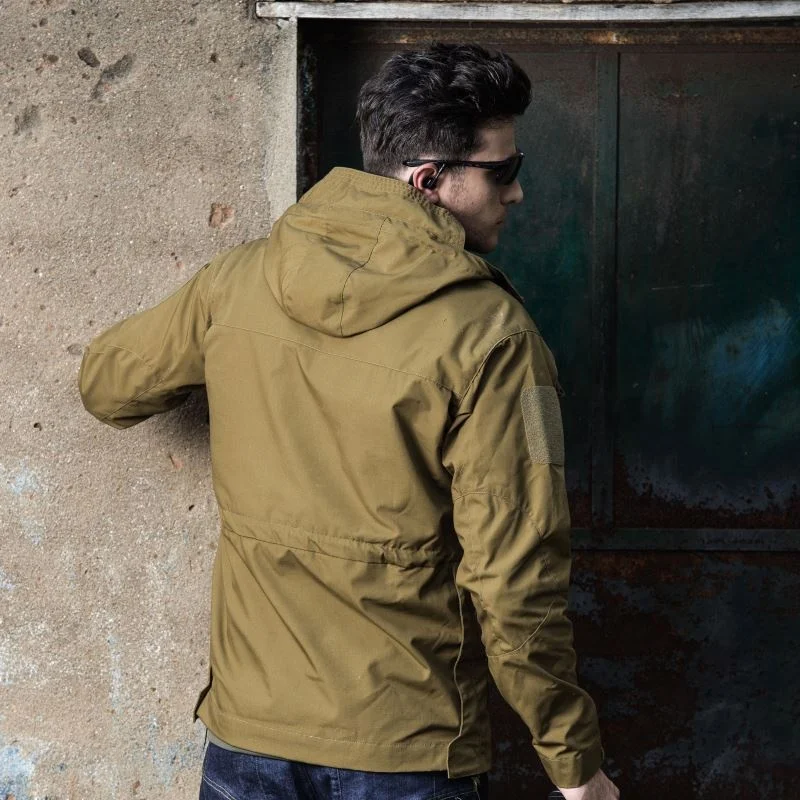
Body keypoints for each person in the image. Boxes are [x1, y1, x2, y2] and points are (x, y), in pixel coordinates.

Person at [79, 43, 620, 800]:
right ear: (429, 180)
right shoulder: (493, 339)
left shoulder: (239, 281)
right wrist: (574, 762)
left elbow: (106, 385)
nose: (517, 192)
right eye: (504, 172)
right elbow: (516, 583)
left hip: (249, 734)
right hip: (405, 748)